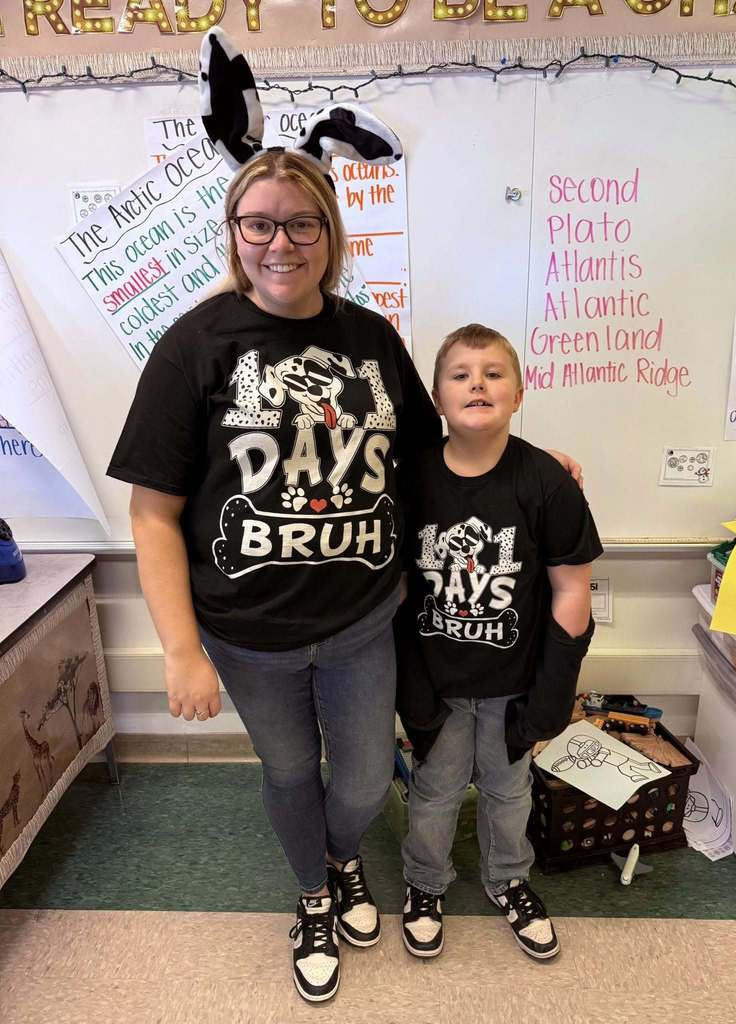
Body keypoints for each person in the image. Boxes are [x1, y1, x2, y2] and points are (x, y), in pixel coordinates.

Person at [107, 28, 584, 1004]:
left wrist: (533, 463)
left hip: (366, 618)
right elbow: (152, 514)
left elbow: (426, 453)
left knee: (365, 780)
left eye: (301, 225)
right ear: (234, 233)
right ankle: (316, 886)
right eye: (258, 224)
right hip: (247, 634)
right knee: (290, 772)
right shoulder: (191, 347)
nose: (279, 243)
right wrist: (180, 649)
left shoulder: (369, 338)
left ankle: (345, 851)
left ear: (332, 231)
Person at [394, 323, 602, 962]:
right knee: (434, 790)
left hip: (514, 681)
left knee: (510, 791)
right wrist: (409, 688)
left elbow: (571, 592)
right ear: (436, 398)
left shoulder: (547, 482)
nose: (477, 384)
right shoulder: (409, 480)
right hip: (437, 681)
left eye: (492, 373)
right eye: (460, 375)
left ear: (519, 392)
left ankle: (509, 879)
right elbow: (394, 593)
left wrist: (551, 694)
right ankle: (425, 884)